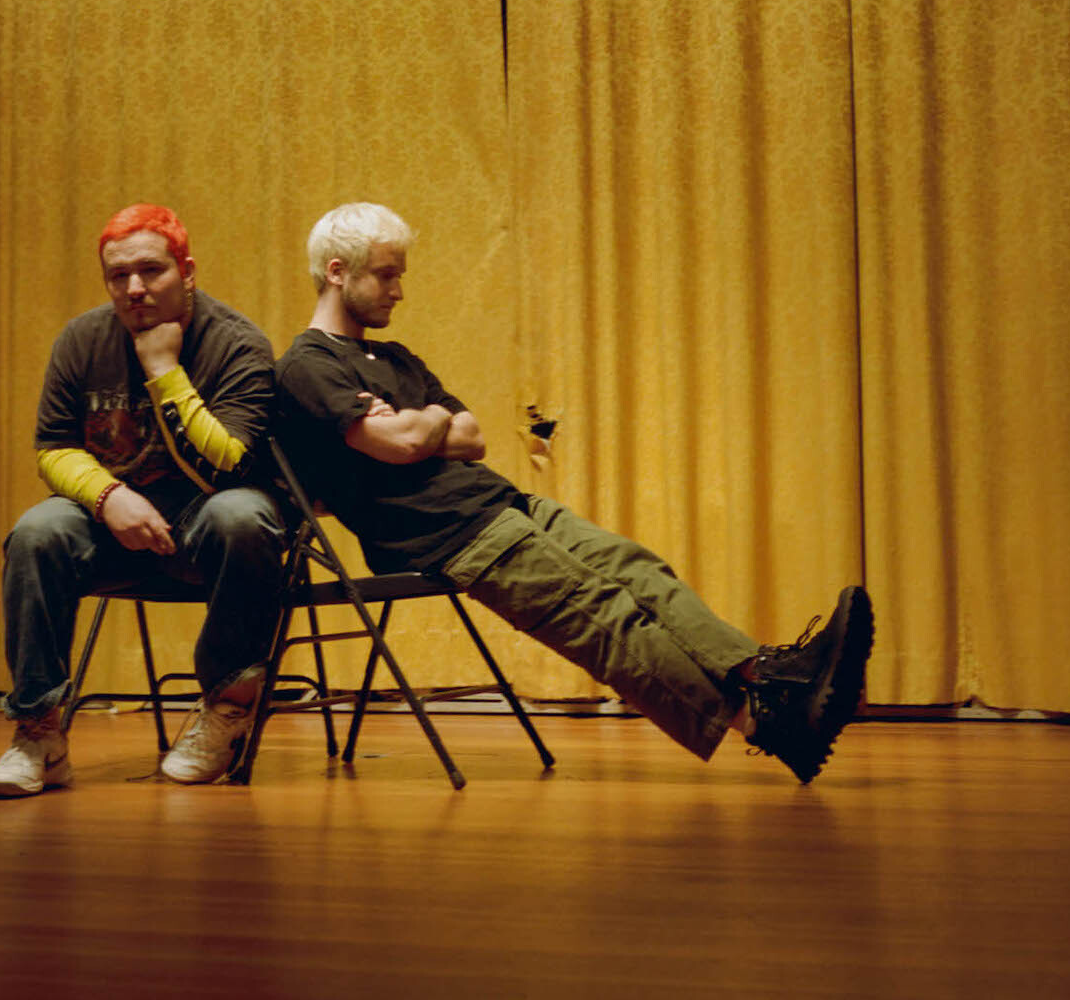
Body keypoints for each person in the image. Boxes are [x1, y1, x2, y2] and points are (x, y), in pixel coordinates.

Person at [273, 202, 873, 783]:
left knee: (637, 569)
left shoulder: (396, 358)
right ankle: (768, 725)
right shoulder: (307, 365)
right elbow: (403, 443)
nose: (399, 291)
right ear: (337, 272)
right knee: (604, 615)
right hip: (446, 533)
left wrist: (412, 422)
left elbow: (472, 437)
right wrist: (429, 419)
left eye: (398, 275)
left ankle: (769, 673)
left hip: (502, 503)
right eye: (386, 275)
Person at [0, 204, 285, 796]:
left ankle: (226, 708)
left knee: (244, 514)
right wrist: (108, 497)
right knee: (37, 532)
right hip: (114, 526)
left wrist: (163, 366)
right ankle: (38, 733)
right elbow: (54, 447)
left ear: (187, 271)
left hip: (206, 528)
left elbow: (228, 464)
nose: (135, 288)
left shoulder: (237, 342)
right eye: (118, 276)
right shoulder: (81, 339)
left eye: (151, 270)